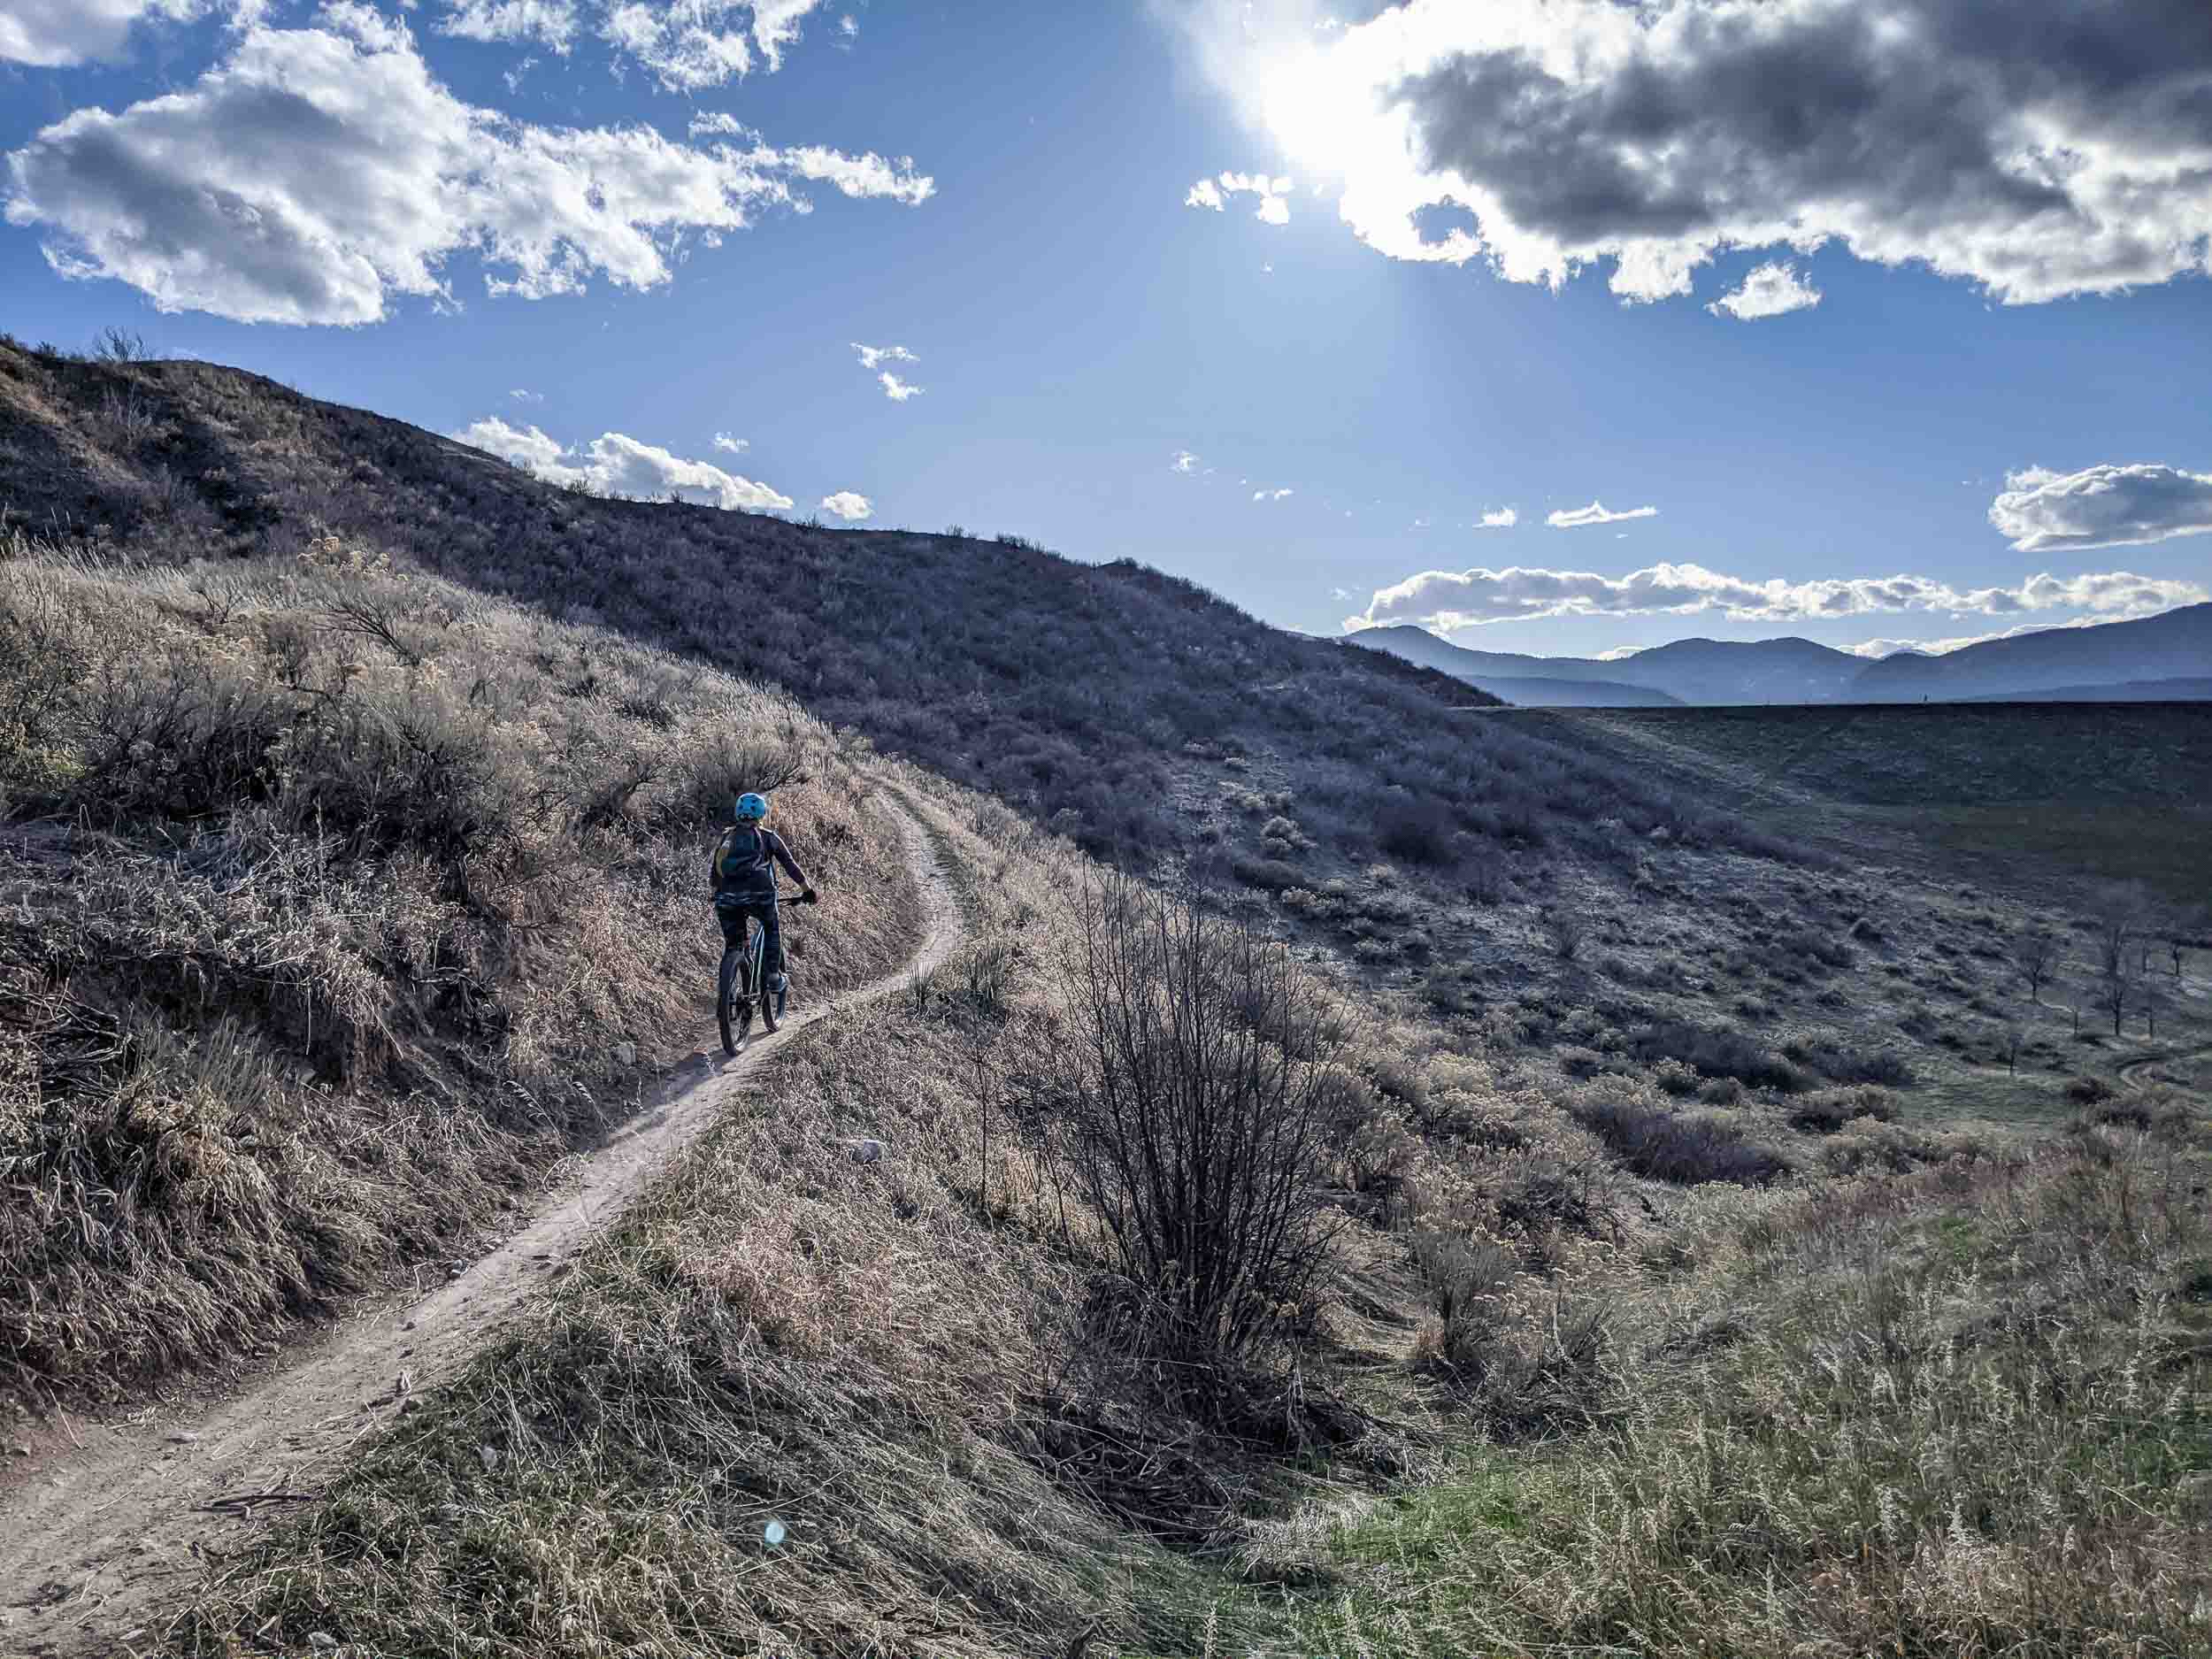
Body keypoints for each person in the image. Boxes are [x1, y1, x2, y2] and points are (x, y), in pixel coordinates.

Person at [710, 793, 817, 992]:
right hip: (761, 897)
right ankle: (774, 977)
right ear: (762, 813)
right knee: (771, 928)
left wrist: (717, 892)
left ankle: (728, 988)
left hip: (726, 899)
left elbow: (716, 870)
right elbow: (790, 865)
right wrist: (807, 891)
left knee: (734, 944)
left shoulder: (727, 837)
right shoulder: (768, 837)